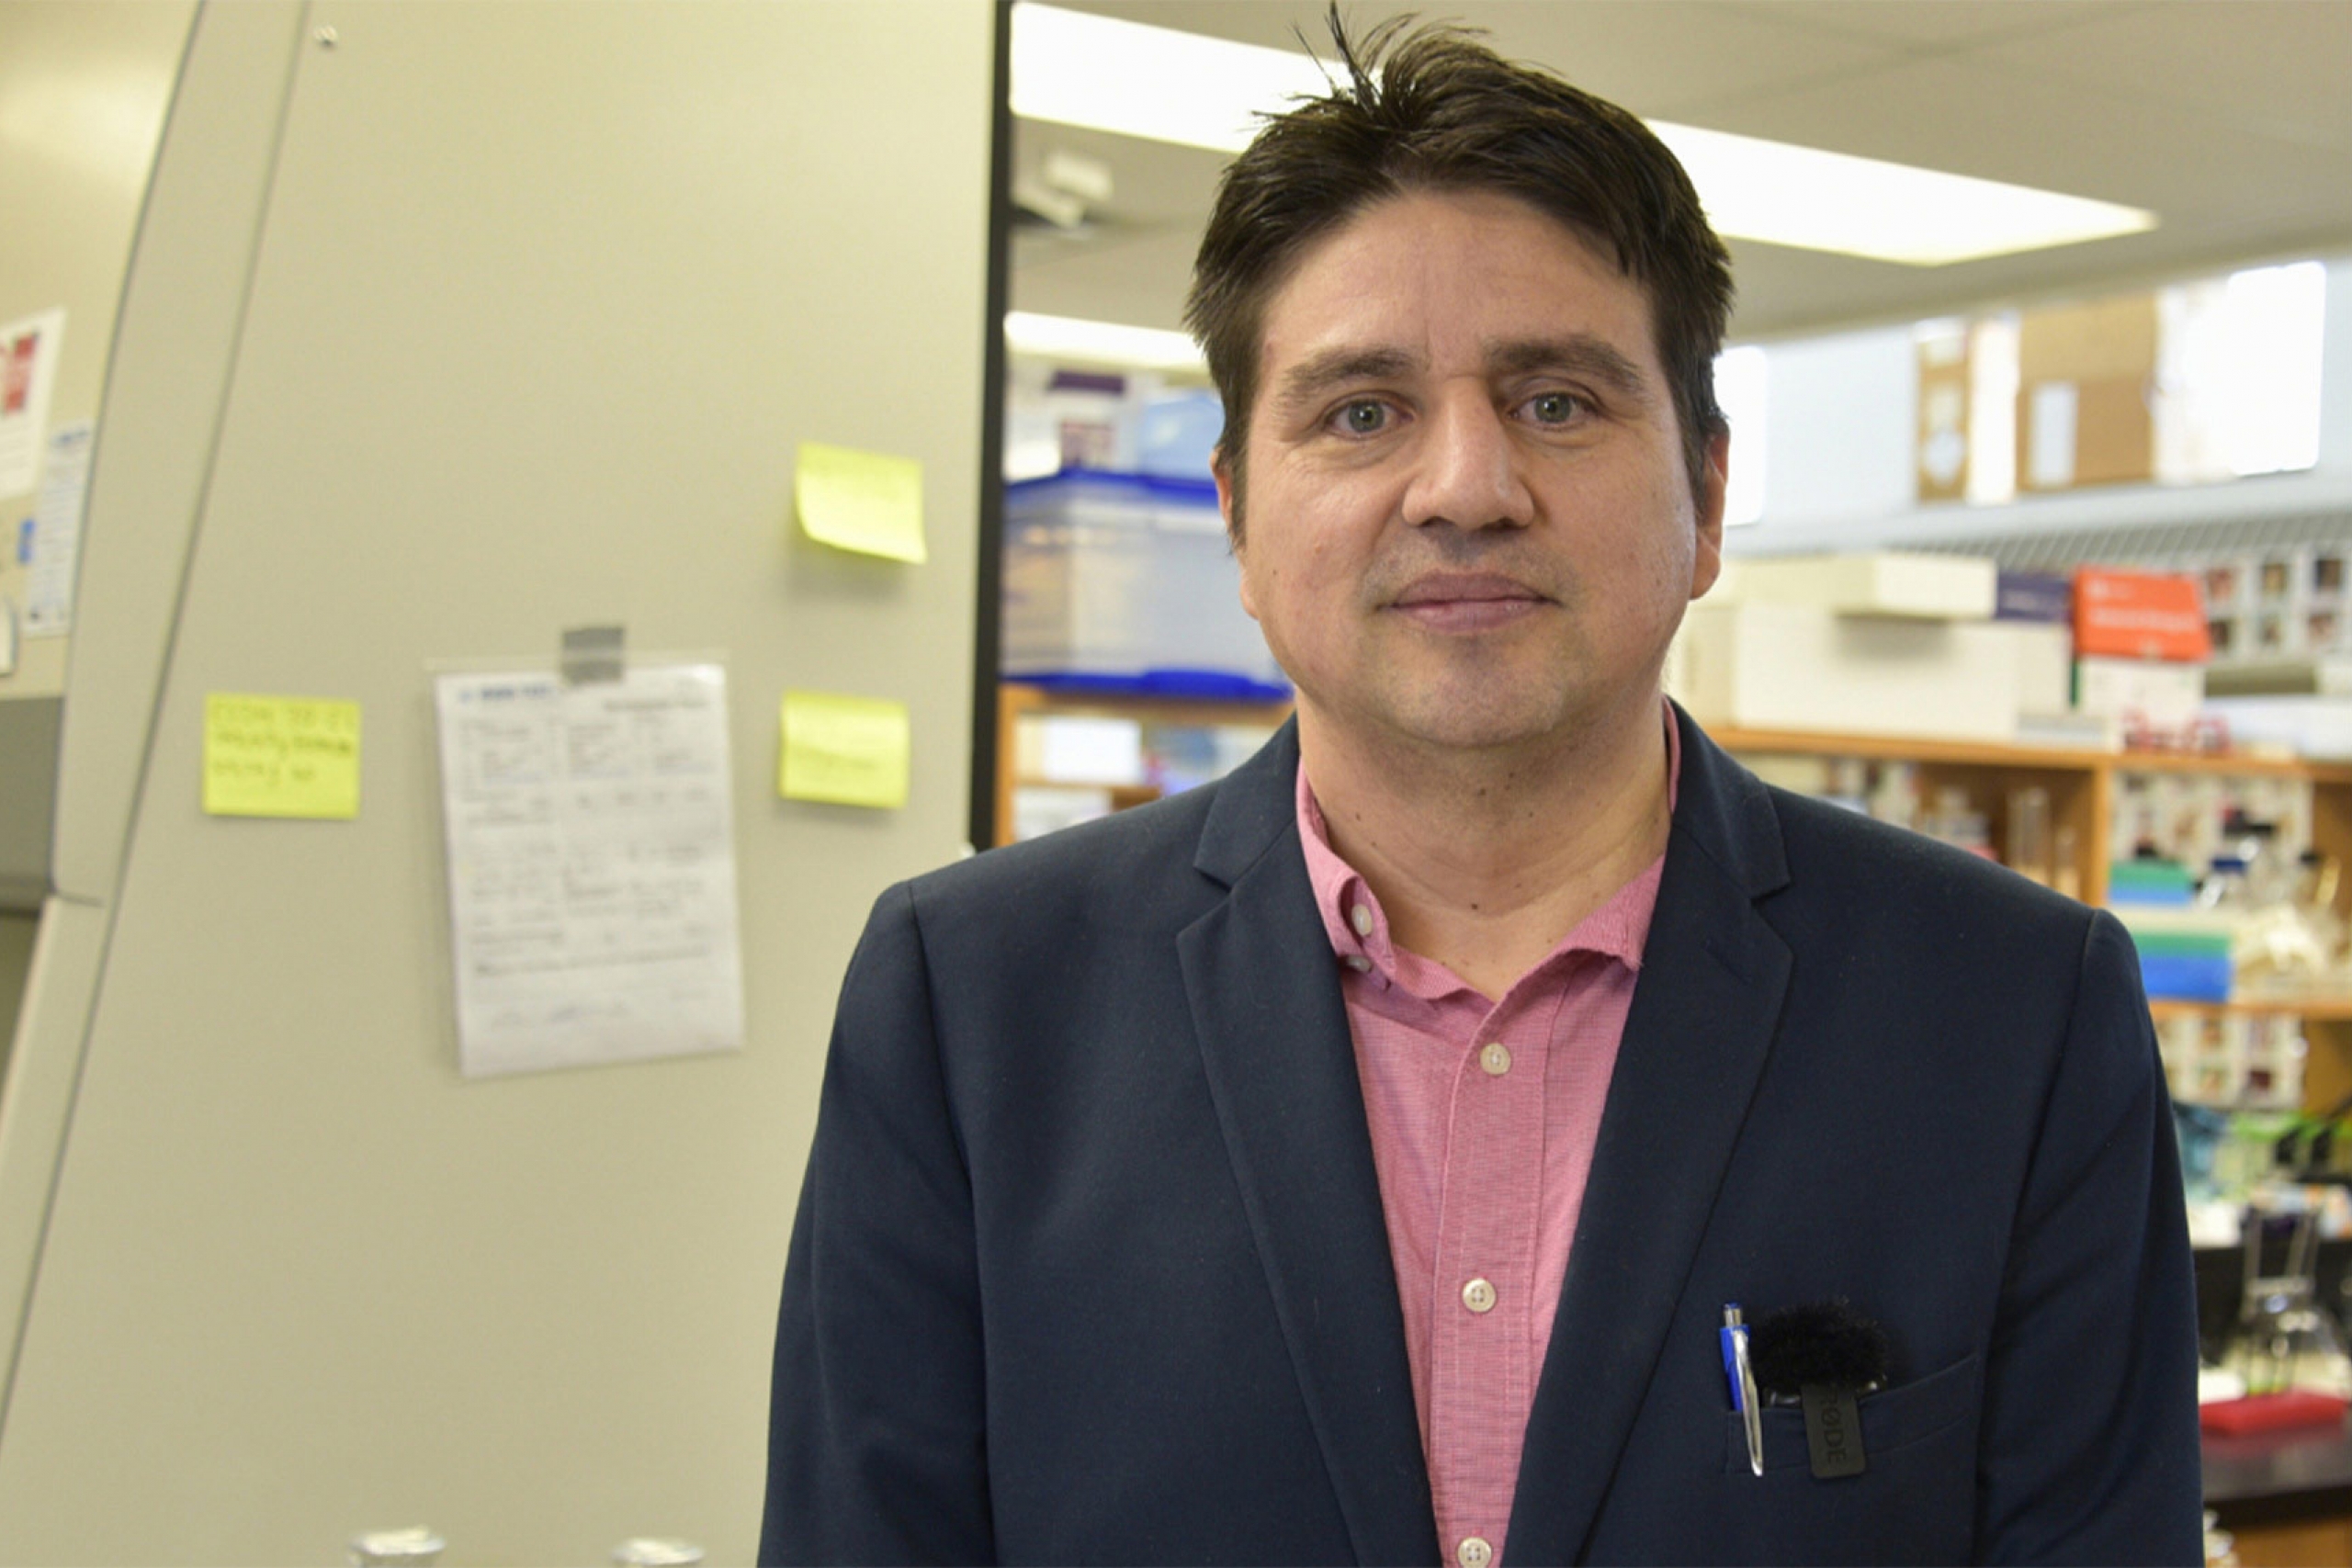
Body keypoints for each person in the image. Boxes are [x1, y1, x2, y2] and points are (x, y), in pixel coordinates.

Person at [761, 15, 2201, 1565]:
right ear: (1239, 518)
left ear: (1708, 500)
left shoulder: (2011, 1014)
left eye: (1558, 402)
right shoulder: (973, 1006)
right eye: (1361, 411)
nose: (1465, 487)